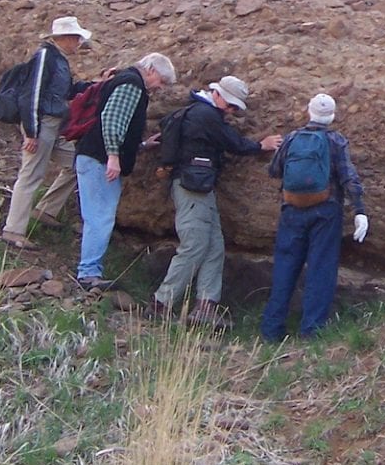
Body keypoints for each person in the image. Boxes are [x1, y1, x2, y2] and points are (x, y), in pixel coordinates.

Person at [152, 75, 282, 330]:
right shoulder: (205, 115)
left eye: (235, 107)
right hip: (191, 186)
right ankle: (160, 304)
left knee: (214, 246)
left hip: (200, 186)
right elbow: (232, 142)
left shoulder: (200, 112)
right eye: (230, 105)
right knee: (195, 244)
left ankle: (206, 306)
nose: (231, 111)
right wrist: (260, 145)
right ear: (217, 94)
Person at [260, 94, 368, 343]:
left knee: (285, 267)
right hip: (326, 211)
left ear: (308, 112)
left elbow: (274, 170)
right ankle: (311, 331)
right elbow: (348, 177)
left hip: (292, 210)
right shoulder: (335, 141)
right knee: (320, 268)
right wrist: (359, 210)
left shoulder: (292, 139)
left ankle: (271, 330)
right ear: (331, 116)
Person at [73, 52, 176, 290]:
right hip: (99, 159)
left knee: (96, 216)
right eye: (161, 81)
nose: (160, 88)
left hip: (91, 156)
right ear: (150, 70)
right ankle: (88, 273)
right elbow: (111, 120)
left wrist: (141, 145)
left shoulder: (123, 79)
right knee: (101, 217)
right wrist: (113, 157)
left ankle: (88, 271)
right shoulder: (132, 84)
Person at [0, 16, 92, 252]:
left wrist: (96, 84)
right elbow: (32, 94)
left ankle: (46, 210)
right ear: (65, 38)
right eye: (76, 38)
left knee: (78, 161)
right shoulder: (45, 57)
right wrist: (31, 132)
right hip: (42, 125)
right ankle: (14, 230)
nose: (78, 43)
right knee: (31, 174)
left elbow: (67, 91)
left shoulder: (58, 60)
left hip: (54, 125)